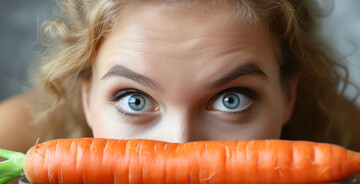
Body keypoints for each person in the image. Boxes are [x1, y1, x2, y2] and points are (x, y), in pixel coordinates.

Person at [0, 0, 359, 155]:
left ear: (289, 97)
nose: (180, 145)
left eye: (231, 99)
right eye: (134, 99)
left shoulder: (342, 134)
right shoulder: (17, 139)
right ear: (86, 100)